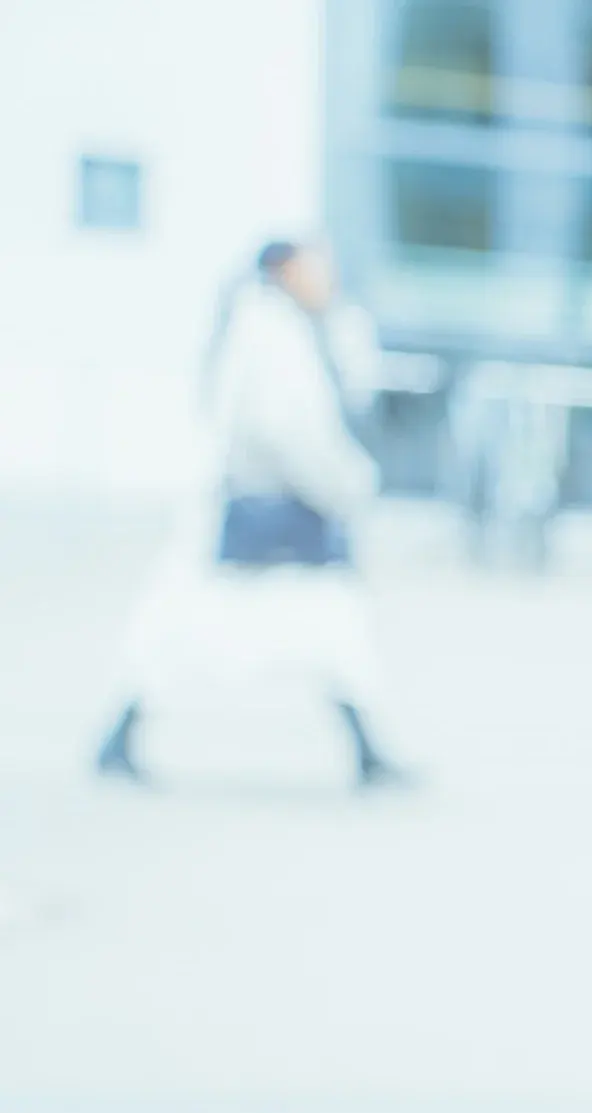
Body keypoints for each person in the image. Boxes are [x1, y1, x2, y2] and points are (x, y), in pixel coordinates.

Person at [96, 238, 410, 789]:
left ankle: (368, 749)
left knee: (330, 630)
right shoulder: (270, 334)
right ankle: (119, 735)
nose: (328, 279)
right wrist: (346, 484)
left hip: (268, 518)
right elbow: (285, 431)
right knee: (191, 625)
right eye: (318, 267)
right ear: (287, 272)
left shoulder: (281, 326)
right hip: (266, 514)